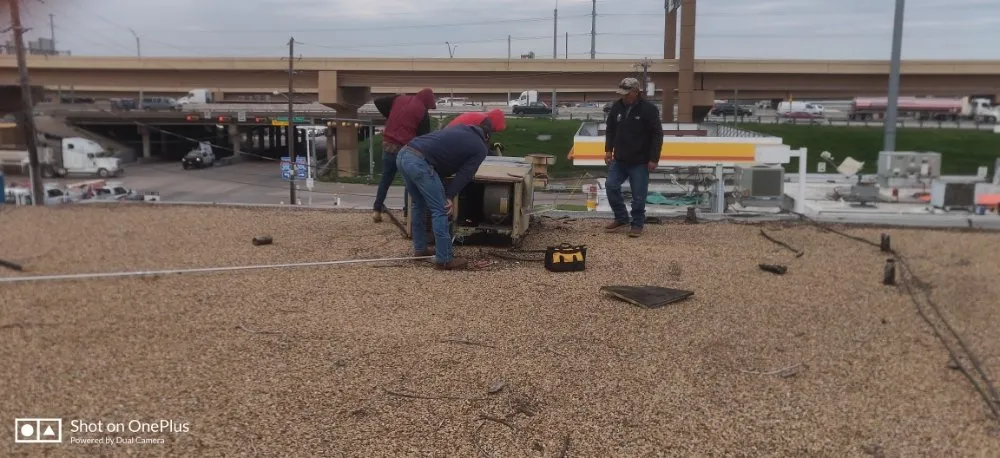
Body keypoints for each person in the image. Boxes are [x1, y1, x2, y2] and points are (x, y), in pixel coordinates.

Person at [397, 120, 494, 270]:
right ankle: (444, 259)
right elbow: (465, 175)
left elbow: (442, 157)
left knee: (418, 205)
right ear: (487, 137)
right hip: (420, 162)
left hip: (404, 154)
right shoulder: (481, 147)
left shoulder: (460, 128)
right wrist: (449, 196)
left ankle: (420, 249)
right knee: (441, 209)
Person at [603, 77, 664, 237]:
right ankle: (621, 217)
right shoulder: (617, 107)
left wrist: (654, 158)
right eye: (622, 93)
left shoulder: (649, 109)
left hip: (640, 161)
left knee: (638, 195)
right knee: (611, 186)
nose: (623, 96)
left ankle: (637, 223)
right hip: (620, 159)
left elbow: (657, 135)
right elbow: (610, 130)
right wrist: (608, 149)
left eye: (626, 93)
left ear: (636, 92)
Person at [371, 88, 436, 223]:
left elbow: (377, 101)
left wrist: (391, 116)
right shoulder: (422, 111)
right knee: (409, 182)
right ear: (427, 102)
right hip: (405, 150)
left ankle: (376, 210)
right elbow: (423, 138)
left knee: (385, 179)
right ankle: (408, 215)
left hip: (388, 145)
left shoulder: (399, 99)